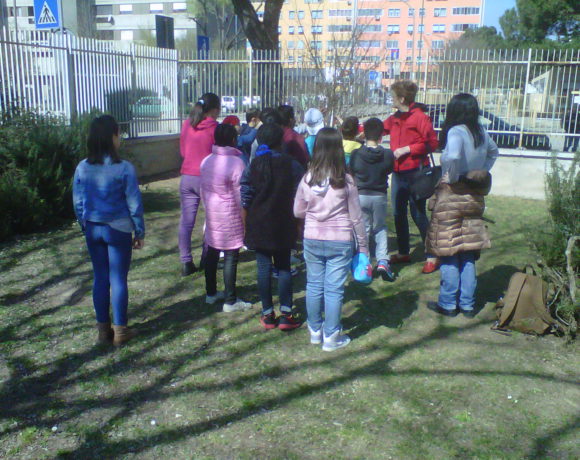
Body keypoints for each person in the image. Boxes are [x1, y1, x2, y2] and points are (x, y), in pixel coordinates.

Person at [294, 128, 368, 351]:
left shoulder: (307, 178)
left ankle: (315, 330)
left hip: (313, 238)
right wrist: (363, 247)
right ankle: (331, 336)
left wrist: (314, 213)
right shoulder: (346, 180)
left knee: (314, 285)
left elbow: (297, 211)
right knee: (334, 289)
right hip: (340, 240)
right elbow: (356, 217)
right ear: (338, 149)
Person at [73, 115, 145, 346]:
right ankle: (121, 330)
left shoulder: (82, 167)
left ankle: (103, 330)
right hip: (118, 229)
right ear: (111, 137)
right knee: (118, 278)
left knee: (100, 278)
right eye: (118, 133)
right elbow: (133, 202)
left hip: (93, 227)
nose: (120, 138)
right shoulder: (124, 168)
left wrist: (84, 223)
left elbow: (78, 201)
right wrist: (139, 231)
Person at [425, 93, 498, 317]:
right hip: (474, 197)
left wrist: (453, 176)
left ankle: (448, 303)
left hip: (453, 195)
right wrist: (480, 173)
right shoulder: (481, 132)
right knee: (467, 250)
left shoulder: (456, 131)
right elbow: (494, 152)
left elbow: (454, 155)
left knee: (448, 249)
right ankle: (467, 304)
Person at [241, 123, 305, 330]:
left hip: (259, 223)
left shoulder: (254, 165)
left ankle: (268, 314)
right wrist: (299, 225)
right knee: (284, 267)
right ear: (281, 141)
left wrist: (244, 226)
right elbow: (299, 196)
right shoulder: (292, 165)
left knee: (263, 268)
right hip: (284, 221)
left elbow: (245, 199)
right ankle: (286, 313)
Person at [383, 80, 439, 274]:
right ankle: (404, 251)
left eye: (392, 96)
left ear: (402, 98)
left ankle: (432, 254)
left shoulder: (420, 118)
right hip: (398, 174)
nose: (391, 99)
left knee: (418, 213)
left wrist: (408, 149)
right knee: (398, 213)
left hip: (416, 172)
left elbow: (432, 143)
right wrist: (356, 131)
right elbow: (380, 128)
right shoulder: (395, 117)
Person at [200, 124, 252, 312]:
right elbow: (241, 196)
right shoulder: (237, 163)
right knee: (231, 254)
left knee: (212, 251)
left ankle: (211, 293)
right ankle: (230, 300)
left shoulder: (206, 161)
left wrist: (207, 209)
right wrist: (245, 217)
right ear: (233, 140)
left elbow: (202, 189)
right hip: (230, 214)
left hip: (212, 212)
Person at [349, 118, 396, 282]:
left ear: (363, 134)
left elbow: (352, 170)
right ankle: (383, 260)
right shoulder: (387, 154)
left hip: (361, 195)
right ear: (381, 136)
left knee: (364, 229)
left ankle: (365, 262)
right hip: (379, 196)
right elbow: (389, 169)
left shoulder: (357, 154)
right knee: (380, 227)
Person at [179, 92, 220, 276]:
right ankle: (206, 257)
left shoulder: (187, 124)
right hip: (206, 178)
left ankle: (186, 261)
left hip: (187, 175)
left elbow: (182, 150)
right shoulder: (215, 128)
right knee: (211, 219)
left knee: (186, 221)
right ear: (213, 110)